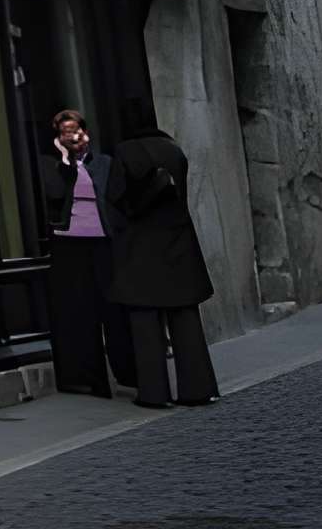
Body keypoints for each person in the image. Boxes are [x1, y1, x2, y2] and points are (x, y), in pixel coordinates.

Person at [105, 97, 216, 406]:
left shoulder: (125, 152)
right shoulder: (174, 150)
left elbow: (115, 197)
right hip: (178, 242)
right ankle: (197, 388)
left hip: (140, 246)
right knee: (185, 319)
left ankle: (155, 392)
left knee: (145, 322)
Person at [37, 106, 122, 394]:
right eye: (64, 132)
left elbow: (114, 200)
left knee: (113, 308)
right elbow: (56, 193)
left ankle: (126, 371)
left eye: (75, 129)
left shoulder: (104, 163)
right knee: (79, 312)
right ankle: (88, 379)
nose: (72, 136)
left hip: (103, 240)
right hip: (69, 243)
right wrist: (65, 161)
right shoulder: (49, 165)